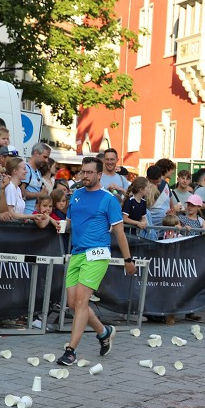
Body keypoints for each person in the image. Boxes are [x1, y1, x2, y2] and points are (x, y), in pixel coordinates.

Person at [60, 157, 136, 366]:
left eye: (89, 172)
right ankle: (104, 332)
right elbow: (68, 225)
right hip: (77, 254)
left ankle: (71, 350)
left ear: (99, 175)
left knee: (81, 301)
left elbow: (120, 233)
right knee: (72, 304)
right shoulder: (75, 196)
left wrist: (128, 259)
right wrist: (49, 221)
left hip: (97, 254)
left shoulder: (108, 199)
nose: (85, 176)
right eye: (83, 172)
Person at [19, 143, 52, 215]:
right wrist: (40, 194)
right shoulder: (26, 169)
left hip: (35, 214)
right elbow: (22, 193)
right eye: (45, 157)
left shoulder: (37, 172)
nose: (46, 160)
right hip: (26, 214)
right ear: (36, 153)